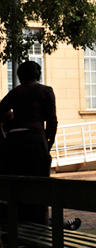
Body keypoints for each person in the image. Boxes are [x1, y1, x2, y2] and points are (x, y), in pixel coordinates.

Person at [0, 61, 57, 225]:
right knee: (39, 191)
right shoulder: (46, 91)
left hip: (14, 143)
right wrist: (47, 146)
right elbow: (52, 123)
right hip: (35, 141)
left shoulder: (14, 93)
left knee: (18, 190)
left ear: (19, 76)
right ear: (38, 74)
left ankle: (20, 229)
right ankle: (40, 228)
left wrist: (4, 140)